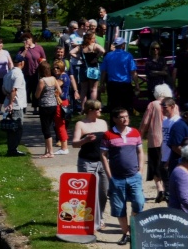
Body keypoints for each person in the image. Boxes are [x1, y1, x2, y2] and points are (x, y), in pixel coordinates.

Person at [101, 107, 145, 246]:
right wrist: (110, 176)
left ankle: (131, 227)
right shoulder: (108, 135)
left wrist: (140, 170)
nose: (126, 119)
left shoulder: (135, 132)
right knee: (119, 207)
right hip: (117, 178)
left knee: (139, 203)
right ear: (115, 119)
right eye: (122, 117)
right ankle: (125, 234)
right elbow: (103, 156)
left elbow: (140, 151)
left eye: (127, 116)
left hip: (134, 176)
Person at [73, 99, 109, 230]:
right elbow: (74, 143)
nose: (100, 111)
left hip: (103, 162)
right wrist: (85, 140)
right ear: (90, 111)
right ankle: (89, 218)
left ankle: (100, 217)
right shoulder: (81, 124)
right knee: (88, 192)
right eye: (98, 109)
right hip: (87, 162)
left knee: (104, 192)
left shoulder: (103, 123)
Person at [139, 84, 173, 204]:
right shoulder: (173, 104)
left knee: (154, 165)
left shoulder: (153, 104)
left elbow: (145, 122)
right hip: (169, 141)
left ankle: (160, 189)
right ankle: (167, 189)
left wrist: (140, 135)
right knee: (166, 165)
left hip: (155, 139)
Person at [100, 36, 138, 116]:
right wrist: (137, 85)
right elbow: (133, 72)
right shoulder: (128, 56)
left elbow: (103, 71)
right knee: (126, 106)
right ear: (122, 45)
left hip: (112, 84)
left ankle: (113, 124)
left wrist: (102, 84)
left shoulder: (108, 55)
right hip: (125, 84)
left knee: (113, 106)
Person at [2, 53, 28, 156]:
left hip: (8, 104)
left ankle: (11, 148)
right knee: (17, 128)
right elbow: (14, 90)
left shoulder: (8, 74)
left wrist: (8, 96)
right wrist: (12, 102)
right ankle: (13, 150)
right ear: (22, 63)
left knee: (10, 128)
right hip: (16, 105)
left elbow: (3, 89)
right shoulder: (19, 74)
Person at [35, 61, 61, 158]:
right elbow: (60, 91)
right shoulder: (53, 79)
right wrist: (53, 94)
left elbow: (37, 95)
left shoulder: (42, 81)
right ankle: (46, 150)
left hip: (45, 106)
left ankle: (50, 152)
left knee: (45, 129)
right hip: (53, 105)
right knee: (49, 126)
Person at [72, 31, 105, 102]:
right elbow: (102, 50)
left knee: (83, 90)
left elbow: (71, 52)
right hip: (93, 69)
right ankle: (92, 107)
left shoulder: (81, 46)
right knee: (93, 89)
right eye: (94, 38)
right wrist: (96, 57)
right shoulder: (94, 45)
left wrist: (79, 57)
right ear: (91, 39)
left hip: (83, 69)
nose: (95, 39)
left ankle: (83, 109)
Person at [53, 60, 77, 154]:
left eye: (58, 67)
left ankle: (64, 148)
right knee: (61, 124)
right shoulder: (63, 76)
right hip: (64, 102)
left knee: (60, 125)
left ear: (62, 68)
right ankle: (64, 146)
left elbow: (54, 87)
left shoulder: (62, 77)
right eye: (54, 67)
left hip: (61, 102)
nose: (55, 69)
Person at [19, 32, 46, 114]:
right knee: (25, 91)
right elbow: (19, 58)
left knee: (36, 90)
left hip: (36, 73)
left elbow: (44, 58)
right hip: (26, 73)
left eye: (26, 39)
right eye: (23, 40)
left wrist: (41, 62)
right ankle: (23, 106)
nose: (25, 41)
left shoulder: (39, 48)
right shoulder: (21, 49)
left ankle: (35, 108)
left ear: (31, 39)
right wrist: (25, 50)